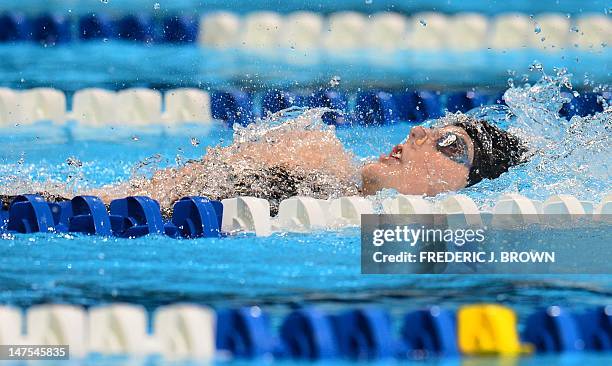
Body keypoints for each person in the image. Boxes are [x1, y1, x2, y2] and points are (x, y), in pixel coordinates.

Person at [91, 111, 528, 216]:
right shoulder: (312, 153)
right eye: (433, 127)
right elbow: (158, 190)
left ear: (465, 188)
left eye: (448, 142)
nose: (417, 132)